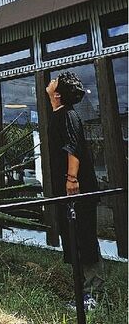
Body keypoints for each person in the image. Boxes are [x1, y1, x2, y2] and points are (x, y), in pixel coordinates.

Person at [46, 71, 105, 312]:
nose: (51, 82)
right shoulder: (59, 114)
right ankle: (83, 289)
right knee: (72, 235)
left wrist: (72, 179)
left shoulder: (68, 116)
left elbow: (74, 150)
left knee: (84, 236)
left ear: (57, 94)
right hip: (67, 190)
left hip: (77, 189)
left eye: (55, 82)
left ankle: (93, 294)